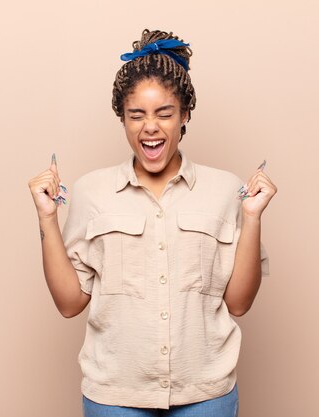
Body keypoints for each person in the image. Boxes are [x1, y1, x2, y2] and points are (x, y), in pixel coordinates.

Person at [27, 28, 277, 417]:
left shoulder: (227, 190)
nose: (151, 127)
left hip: (205, 395)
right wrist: (46, 217)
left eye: (165, 113)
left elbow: (239, 303)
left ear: (184, 116)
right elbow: (69, 303)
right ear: (122, 119)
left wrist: (252, 217)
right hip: (115, 397)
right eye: (136, 115)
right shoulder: (91, 191)